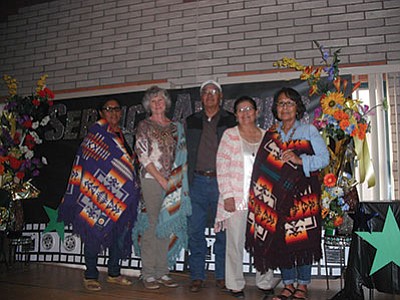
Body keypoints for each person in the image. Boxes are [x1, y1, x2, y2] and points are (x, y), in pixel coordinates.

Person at [245, 87, 329, 300]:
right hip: (276, 199)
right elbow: (261, 167)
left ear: (297, 107)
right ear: (275, 108)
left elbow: (324, 159)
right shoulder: (271, 133)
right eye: (281, 103)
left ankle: (303, 284)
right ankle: (288, 283)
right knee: (281, 240)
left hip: (303, 198)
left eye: (289, 103)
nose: (284, 107)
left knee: (301, 239)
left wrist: (300, 160)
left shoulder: (309, 131)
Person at [58, 98, 141, 291]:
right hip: (95, 194)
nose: (113, 112)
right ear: (101, 113)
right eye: (108, 109)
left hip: (120, 196)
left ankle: (114, 273)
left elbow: (130, 163)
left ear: (121, 113)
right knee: (94, 232)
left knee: (118, 237)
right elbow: (85, 163)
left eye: (116, 109)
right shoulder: (94, 136)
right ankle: (91, 275)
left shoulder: (126, 137)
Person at [215, 96, 275, 299]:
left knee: (263, 243)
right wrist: (228, 196)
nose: (245, 112)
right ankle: (235, 284)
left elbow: (273, 168)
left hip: (262, 200)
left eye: (249, 108)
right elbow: (221, 167)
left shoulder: (267, 136)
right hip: (237, 198)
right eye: (240, 110)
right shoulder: (230, 135)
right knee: (234, 243)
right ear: (235, 115)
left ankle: (265, 282)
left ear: (257, 112)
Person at [134, 86, 191, 290]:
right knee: (151, 225)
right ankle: (148, 273)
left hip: (173, 182)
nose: (157, 103)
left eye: (161, 100)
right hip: (151, 179)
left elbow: (182, 154)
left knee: (165, 225)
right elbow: (142, 155)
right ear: (148, 104)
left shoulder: (176, 127)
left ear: (166, 103)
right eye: (153, 100)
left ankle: (162, 271)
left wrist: (176, 182)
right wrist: (160, 179)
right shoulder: (144, 125)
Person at [185, 80, 236, 292]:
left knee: (222, 232)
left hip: (221, 183)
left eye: (214, 92)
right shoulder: (191, 121)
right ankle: (197, 275)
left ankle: (222, 275)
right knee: (195, 230)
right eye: (205, 92)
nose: (210, 95)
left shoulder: (230, 120)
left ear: (221, 97)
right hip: (196, 182)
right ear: (201, 98)